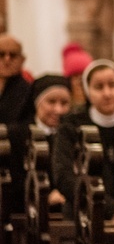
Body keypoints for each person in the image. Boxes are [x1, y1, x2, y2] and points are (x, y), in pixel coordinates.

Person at [52, 59, 114, 221]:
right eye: (98, 87)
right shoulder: (71, 125)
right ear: (87, 90)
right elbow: (64, 176)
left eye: (112, 85)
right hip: (83, 214)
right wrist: (111, 209)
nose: (107, 93)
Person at [0, 34, 35, 213]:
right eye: (1, 54)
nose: (6, 59)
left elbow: (29, 127)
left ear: (22, 59)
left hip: (14, 171)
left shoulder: (28, 91)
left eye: (12, 55)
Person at [31, 74, 73, 211]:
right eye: (51, 102)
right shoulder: (19, 135)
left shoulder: (73, 135)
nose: (58, 110)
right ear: (37, 102)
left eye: (64, 103)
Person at [62, 42, 93, 108]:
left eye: (83, 74)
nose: (80, 80)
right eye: (75, 76)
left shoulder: (95, 102)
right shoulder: (64, 104)